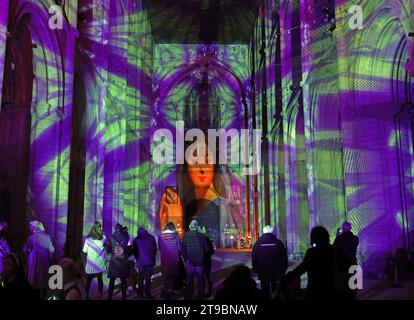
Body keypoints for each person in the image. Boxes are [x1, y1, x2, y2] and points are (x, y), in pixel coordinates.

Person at [280, 226, 337, 300]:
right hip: (332, 289)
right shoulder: (335, 251)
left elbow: (301, 269)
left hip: (315, 290)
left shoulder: (312, 252)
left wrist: (286, 279)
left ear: (313, 238)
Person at [252, 225, 288, 299]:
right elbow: (284, 258)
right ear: (272, 232)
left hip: (263, 272)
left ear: (263, 232)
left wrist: (256, 269)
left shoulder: (258, 244)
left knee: (264, 291)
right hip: (276, 272)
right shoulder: (279, 243)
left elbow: (254, 257)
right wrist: (283, 270)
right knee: (275, 291)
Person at [23, 220, 55, 298]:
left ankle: (34, 294)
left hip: (34, 258)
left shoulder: (32, 237)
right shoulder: (47, 236)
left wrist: (29, 251)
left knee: (34, 276)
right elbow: (51, 249)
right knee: (43, 276)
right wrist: (50, 257)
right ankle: (43, 295)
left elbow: (25, 249)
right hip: (44, 258)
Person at [181, 220, 208, 299]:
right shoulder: (202, 236)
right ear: (197, 227)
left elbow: (183, 249)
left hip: (190, 262)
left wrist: (186, 259)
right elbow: (206, 249)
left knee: (190, 279)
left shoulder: (186, 236)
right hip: (199, 262)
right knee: (200, 279)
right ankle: (200, 295)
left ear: (190, 226)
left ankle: (189, 295)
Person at [333, 221, 359, 299]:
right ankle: (353, 296)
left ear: (343, 228)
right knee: (353, 282)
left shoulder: (339, 238)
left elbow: (334, 249)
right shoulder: (355, 238)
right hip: (352, 262)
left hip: (341, 264)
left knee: (343, 281)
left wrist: (337, 236)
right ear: (350, 228)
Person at [158, 222, 184, 299]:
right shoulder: (176, 236)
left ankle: (165, 292)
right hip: (174, 260)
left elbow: (160, 248)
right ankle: (169, 294)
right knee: (172, 278)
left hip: (165, 260)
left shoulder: (161, 236)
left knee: (166, 277)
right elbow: (180, 248)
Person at [82, 221, 107, 300]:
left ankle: (86, 296)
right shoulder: (103, 239)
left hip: (90, 265)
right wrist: (102, 230)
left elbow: (84, 251)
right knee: (100, 280)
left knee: (88, 282)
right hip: (99, 265)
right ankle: (99, 296)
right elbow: (104, 235)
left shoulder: (88, 240)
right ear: (100, 229)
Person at [107, 223, 129, 300]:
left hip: (114, 262)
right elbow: (126, 247)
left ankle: (109, 297)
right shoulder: (125, 237)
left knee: (112, 281)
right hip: (122, 262)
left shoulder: (111, 237)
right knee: (123, 281)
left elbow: (108, 249)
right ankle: (124, 297)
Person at [133, 227, 157, 299]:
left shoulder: (136, 240)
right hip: (149, 261)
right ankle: (148, 295)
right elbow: (155, 249)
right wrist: (152, 257)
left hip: (140, 262)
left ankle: (140, 295)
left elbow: (135, 252)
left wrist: (138, 259)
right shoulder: (152, 238)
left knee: (140, 279)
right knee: (148, 279)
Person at [198, 225, 215, 297]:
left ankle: (201, 293)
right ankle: (209, 292)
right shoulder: (208, 239)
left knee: (200, 277)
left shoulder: (197, 240)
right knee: (208, 276)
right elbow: (212, 250)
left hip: (200, 261)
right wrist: (208, 255)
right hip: (207, 261)